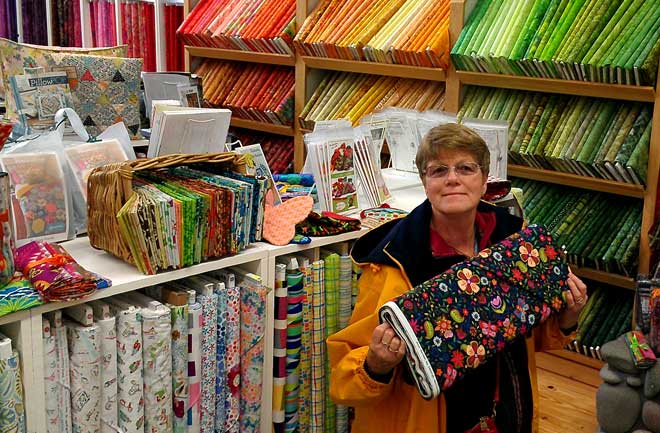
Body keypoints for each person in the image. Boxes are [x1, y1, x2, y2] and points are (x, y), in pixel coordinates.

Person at [327, 123, 588, 433]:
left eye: (465, 168)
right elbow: (344, 378)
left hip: (507, 417)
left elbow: (526, 333)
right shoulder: (393, 263)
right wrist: (376, 365)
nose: (452, 179)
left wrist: (567, 317)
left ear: (483, 180)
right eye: (438, 171)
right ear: (425, 182)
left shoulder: (513, 242)